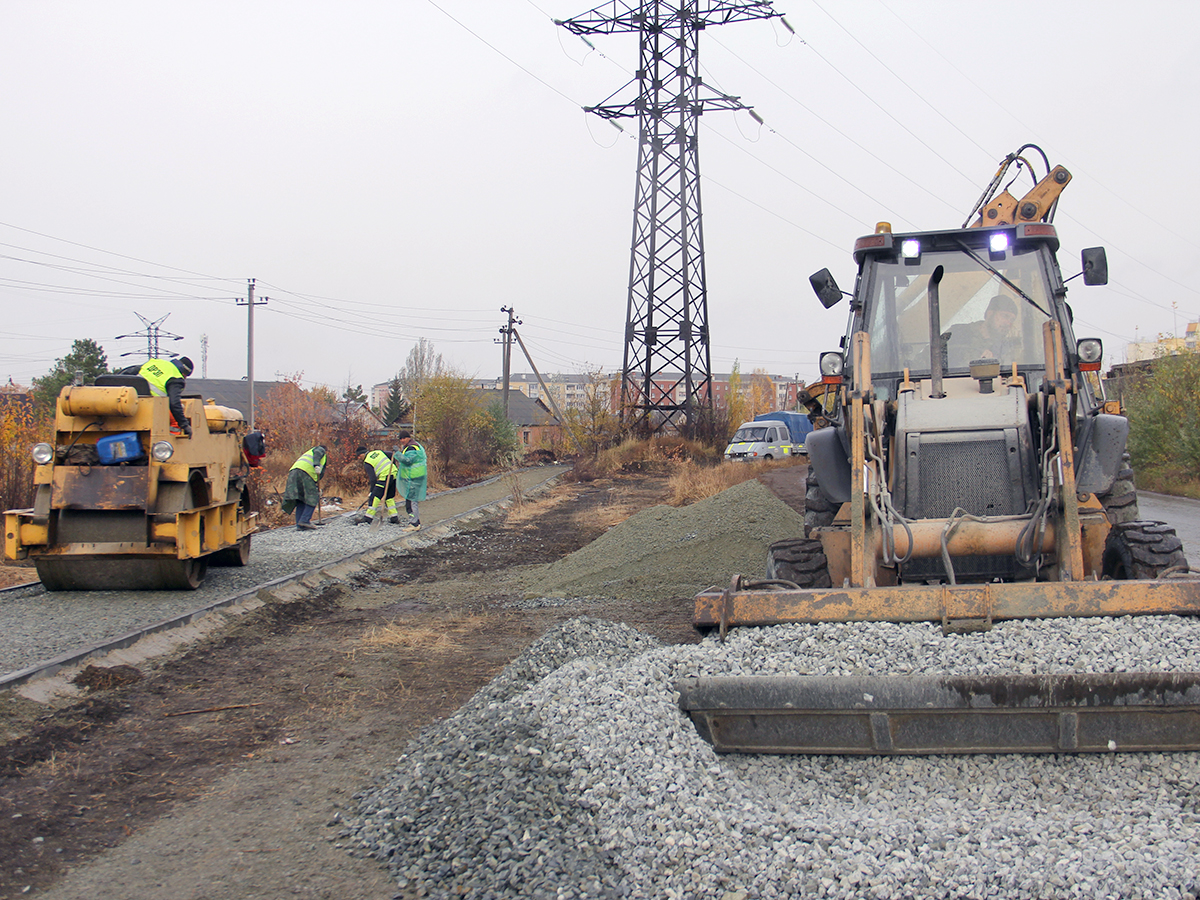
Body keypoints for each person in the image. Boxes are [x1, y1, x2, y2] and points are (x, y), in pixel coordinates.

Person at [949, 294, 1019, 366]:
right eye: (1005, 316)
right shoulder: (958, 332)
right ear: (990, 314)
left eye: (1012, 320)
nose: (1008, 323)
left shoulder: (1006, 347)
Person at [135, 356, 194, 436]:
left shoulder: (157, 362)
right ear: (184, 373)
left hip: (131, 400)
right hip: (150, 406)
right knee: (175, 421)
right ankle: (169, 444)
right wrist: (184, 424)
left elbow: (129, 372)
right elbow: (174, 403)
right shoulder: (176, 377)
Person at [350, 446, 400, 525]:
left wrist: (371, 491)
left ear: (363, 454)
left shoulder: (367, 462)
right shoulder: (378, 452)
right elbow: (392, 454)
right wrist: (392, 465)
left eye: (359, 456)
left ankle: (368, 518)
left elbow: (373, 479)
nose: (359, 458)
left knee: (374, 497)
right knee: (389, 497)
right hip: (394, 473)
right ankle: (394, 517)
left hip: (385, 476)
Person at [282, 445, 327, 531]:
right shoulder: (320, 449)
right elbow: (317, 454)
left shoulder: (308, 453)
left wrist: (316, 485)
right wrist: (316, 465)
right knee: (313, 497)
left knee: (301, 499)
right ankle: (305, 520)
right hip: (305, 473)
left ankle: (300, 524)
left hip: (294, 472)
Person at [393, 431, 427, 531]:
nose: (402, 440)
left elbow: (407, 461)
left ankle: (414, 524)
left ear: (408, 438)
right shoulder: (414, 446)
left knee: (411, 501)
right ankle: (415, 522)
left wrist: (397, 453)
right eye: (400, 438)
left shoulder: (412, 447)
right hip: (415, 477)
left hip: (414, 478)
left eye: (404, 438)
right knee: (411, 500)